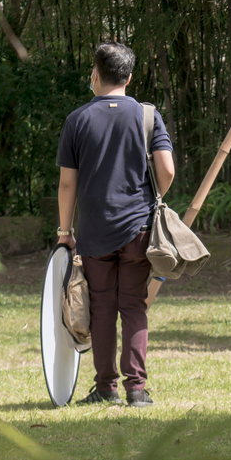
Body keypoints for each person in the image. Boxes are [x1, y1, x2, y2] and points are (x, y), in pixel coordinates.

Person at [57, 42, 175, 407]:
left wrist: (65, 233)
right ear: (129, 77)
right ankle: (137, 390)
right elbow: (167, 170)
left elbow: (67, 184)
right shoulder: (147, 116)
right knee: (134, 306)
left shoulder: (77, 119)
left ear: (95, 74)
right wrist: (153, 198)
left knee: (102, 308)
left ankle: (105, 387)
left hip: (94, 231)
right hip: (138, 228)